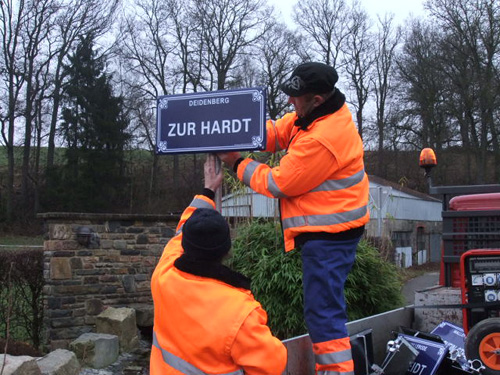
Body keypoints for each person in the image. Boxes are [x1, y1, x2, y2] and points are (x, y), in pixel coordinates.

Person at [218, 62, 369, 375]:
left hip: (330, 235)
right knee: (323, 308)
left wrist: (237, 163)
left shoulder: (323, 138)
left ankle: (337, 372)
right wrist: (239, 131)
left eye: (296, 97)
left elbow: (278, 183)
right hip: (328, 229)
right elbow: (277, 131)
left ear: (316, 99)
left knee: (323, 312)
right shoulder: (313, 117)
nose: (290, 101)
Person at [150, 155, 287, 375]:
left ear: (185, 245)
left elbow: (182, 229)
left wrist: (208, 189)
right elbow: (274, 364)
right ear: (227, 252)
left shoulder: (163, 274)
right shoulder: (240, 313)